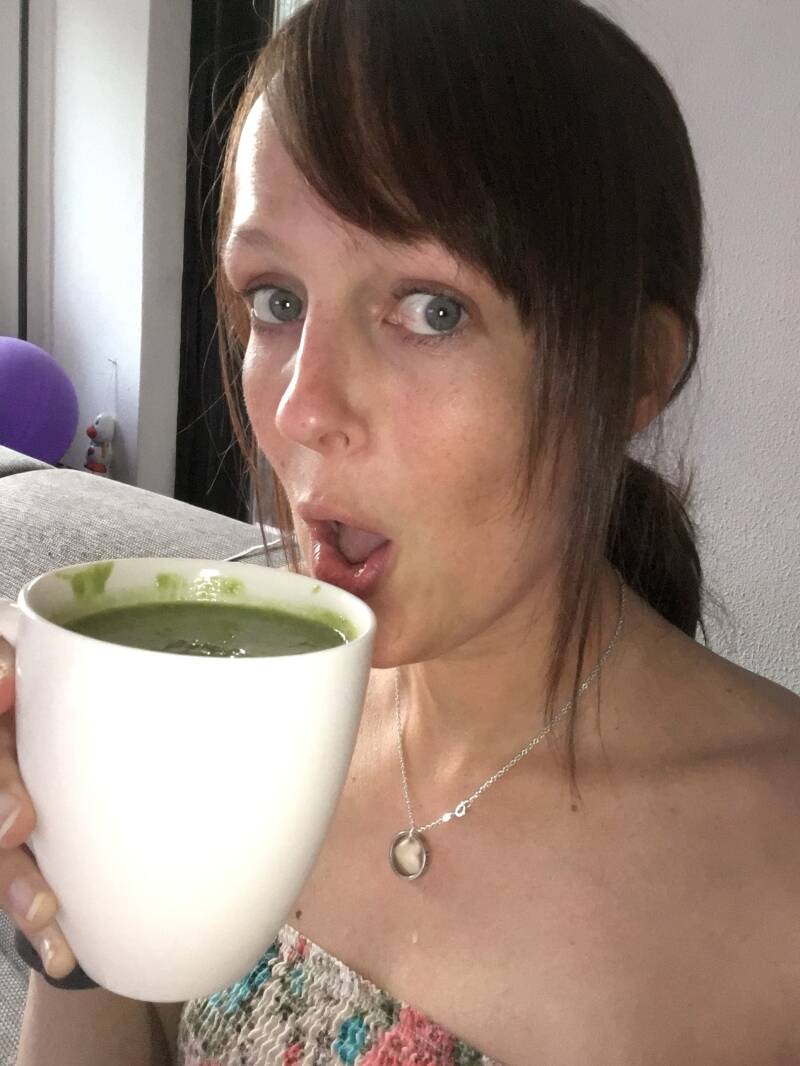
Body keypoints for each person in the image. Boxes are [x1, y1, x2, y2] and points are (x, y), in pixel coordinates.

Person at [3, 0, 799, 1062]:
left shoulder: (776, 884)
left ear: (629, 375)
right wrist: (71, 882)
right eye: (276, 299)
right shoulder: (205, 711)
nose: (298, 408)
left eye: (431, 309)